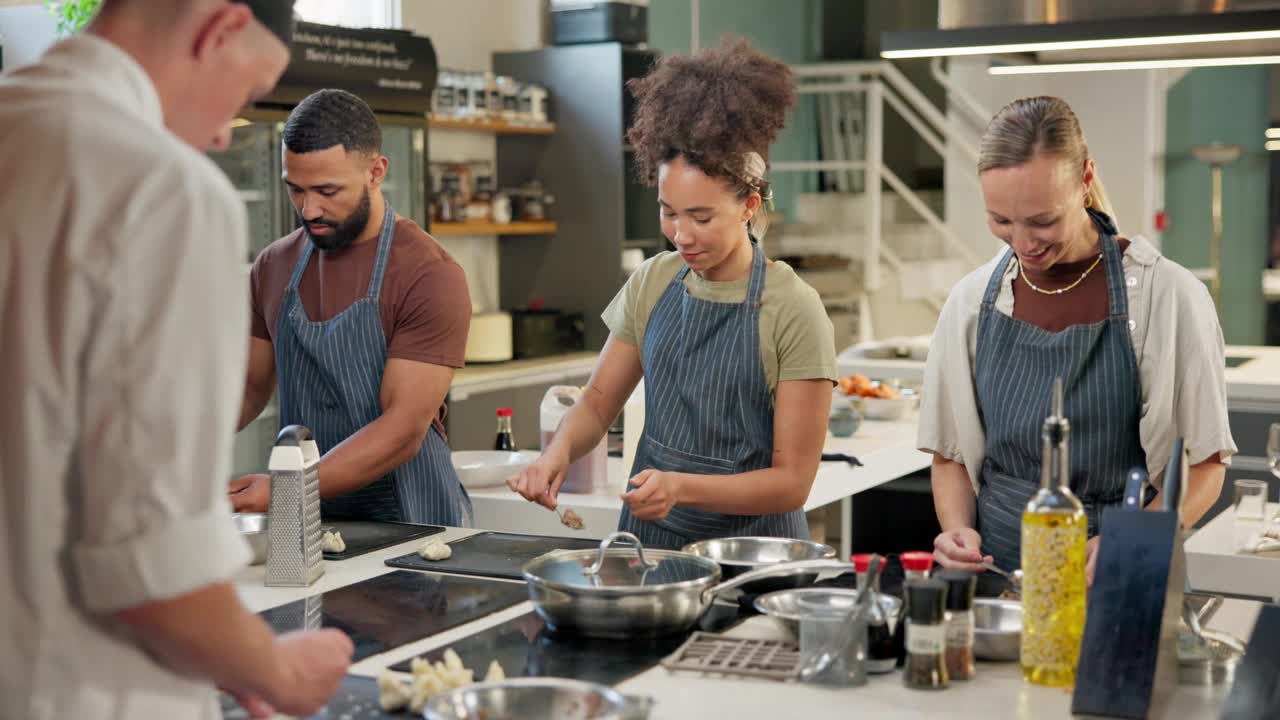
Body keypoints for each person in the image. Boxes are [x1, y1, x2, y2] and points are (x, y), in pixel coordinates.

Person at [0, 2, 355, 719]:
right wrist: (274, 670)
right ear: (216, 28)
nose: (225, 131)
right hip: (83, 691)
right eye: (246, 94)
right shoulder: (158, 187)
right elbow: (153, 574)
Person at [508, 39, 837, 549]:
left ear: (749, 206)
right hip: (648, 546)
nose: (681, 235)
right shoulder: (653, 281)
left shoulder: (793, 308)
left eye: (701, 217)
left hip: (750, 554)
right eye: (668, 211)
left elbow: (792, 482)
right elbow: (596, 405)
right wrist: (556, 453)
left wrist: (682, 488)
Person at [919, 96, 1237, 586]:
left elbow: (1204, 469)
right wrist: (958, 531)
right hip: (1000, 580)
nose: (1024, 242)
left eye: (1042, 220)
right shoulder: (971, 302)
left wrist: (1134, 538)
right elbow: (951, 456)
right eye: (1001, 220)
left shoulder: (1167, 296)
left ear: (1086, 180)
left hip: (1119, 575)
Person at [231, 88, 473, 527]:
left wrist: (287, 487)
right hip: (309, 518)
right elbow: (248, 390)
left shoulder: (429, 273)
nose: (309, 209)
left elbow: (402, 430)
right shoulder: (272, 267)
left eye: (327, 190)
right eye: (296, 190)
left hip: (413, 520)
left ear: (376, 171)